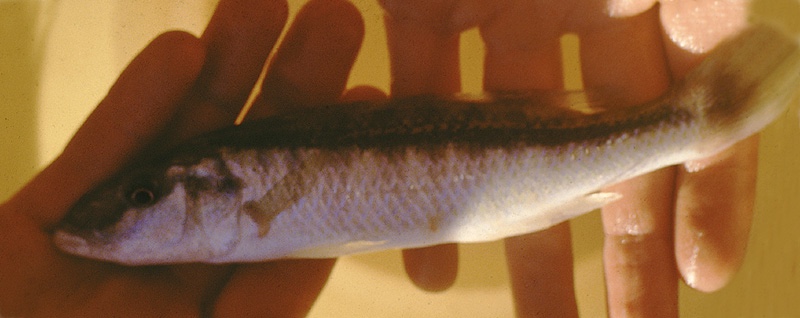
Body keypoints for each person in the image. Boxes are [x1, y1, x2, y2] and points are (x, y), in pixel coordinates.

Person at [0, 0, 755, 317]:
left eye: (140, 197)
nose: (119, 216)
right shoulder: (229, 201)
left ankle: (687, 122)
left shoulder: (234, 193)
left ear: (208, 189)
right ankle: (683, 123)